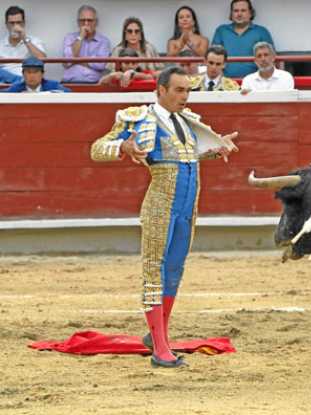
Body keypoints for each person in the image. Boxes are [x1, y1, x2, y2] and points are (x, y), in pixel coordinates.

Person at [90, 66, 238, 368]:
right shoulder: (139, 117)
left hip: (187, 208)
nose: (184, 97)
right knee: (154, 271)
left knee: (173, 271)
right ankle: (160, 349)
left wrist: (217, 147)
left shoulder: (189, 122)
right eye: (178, 90)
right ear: (161, 90)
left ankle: (157, 335)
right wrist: (123, 146)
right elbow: (96, 149)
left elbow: (187, 156)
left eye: (187, 91)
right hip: (160, 206)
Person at [212, 0, 275, 78]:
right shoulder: (221, 31)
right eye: (236, 11)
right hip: (226, 82)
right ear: (231, 14)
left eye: (243, 10)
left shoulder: (261, 31)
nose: (239, 14)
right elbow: (213, 57)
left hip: (255, 82)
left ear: (250, 13)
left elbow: (271, 59)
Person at [62, 5, 111, 83]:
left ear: (96, 22)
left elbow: (101, 65)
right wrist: (80, 37)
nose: (86, 23)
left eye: (90, 20)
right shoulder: (69, 38)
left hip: (94, 84)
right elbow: (68, 61)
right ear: (78, 22)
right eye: (82, 20)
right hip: (70, 83)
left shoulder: (104, 41)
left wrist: (77, 60)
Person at [0, 6, 46, 82]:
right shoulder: (1, 44)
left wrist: (25, 39)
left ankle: (19, 81)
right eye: (12, 23)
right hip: (4, 82)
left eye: (18, 22)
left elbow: (43, 59)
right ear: (6, 24)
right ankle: (18, 81)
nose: (15, 26)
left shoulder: (34, 41)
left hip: (28, 81)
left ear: (23, 23)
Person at [1, 57, 70, 92]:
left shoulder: (53, 86)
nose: (32, 75)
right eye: (28, 72)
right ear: (23, 74)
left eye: (36, 72)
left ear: (42, 74)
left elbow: (69, 92)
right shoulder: (16, 88)